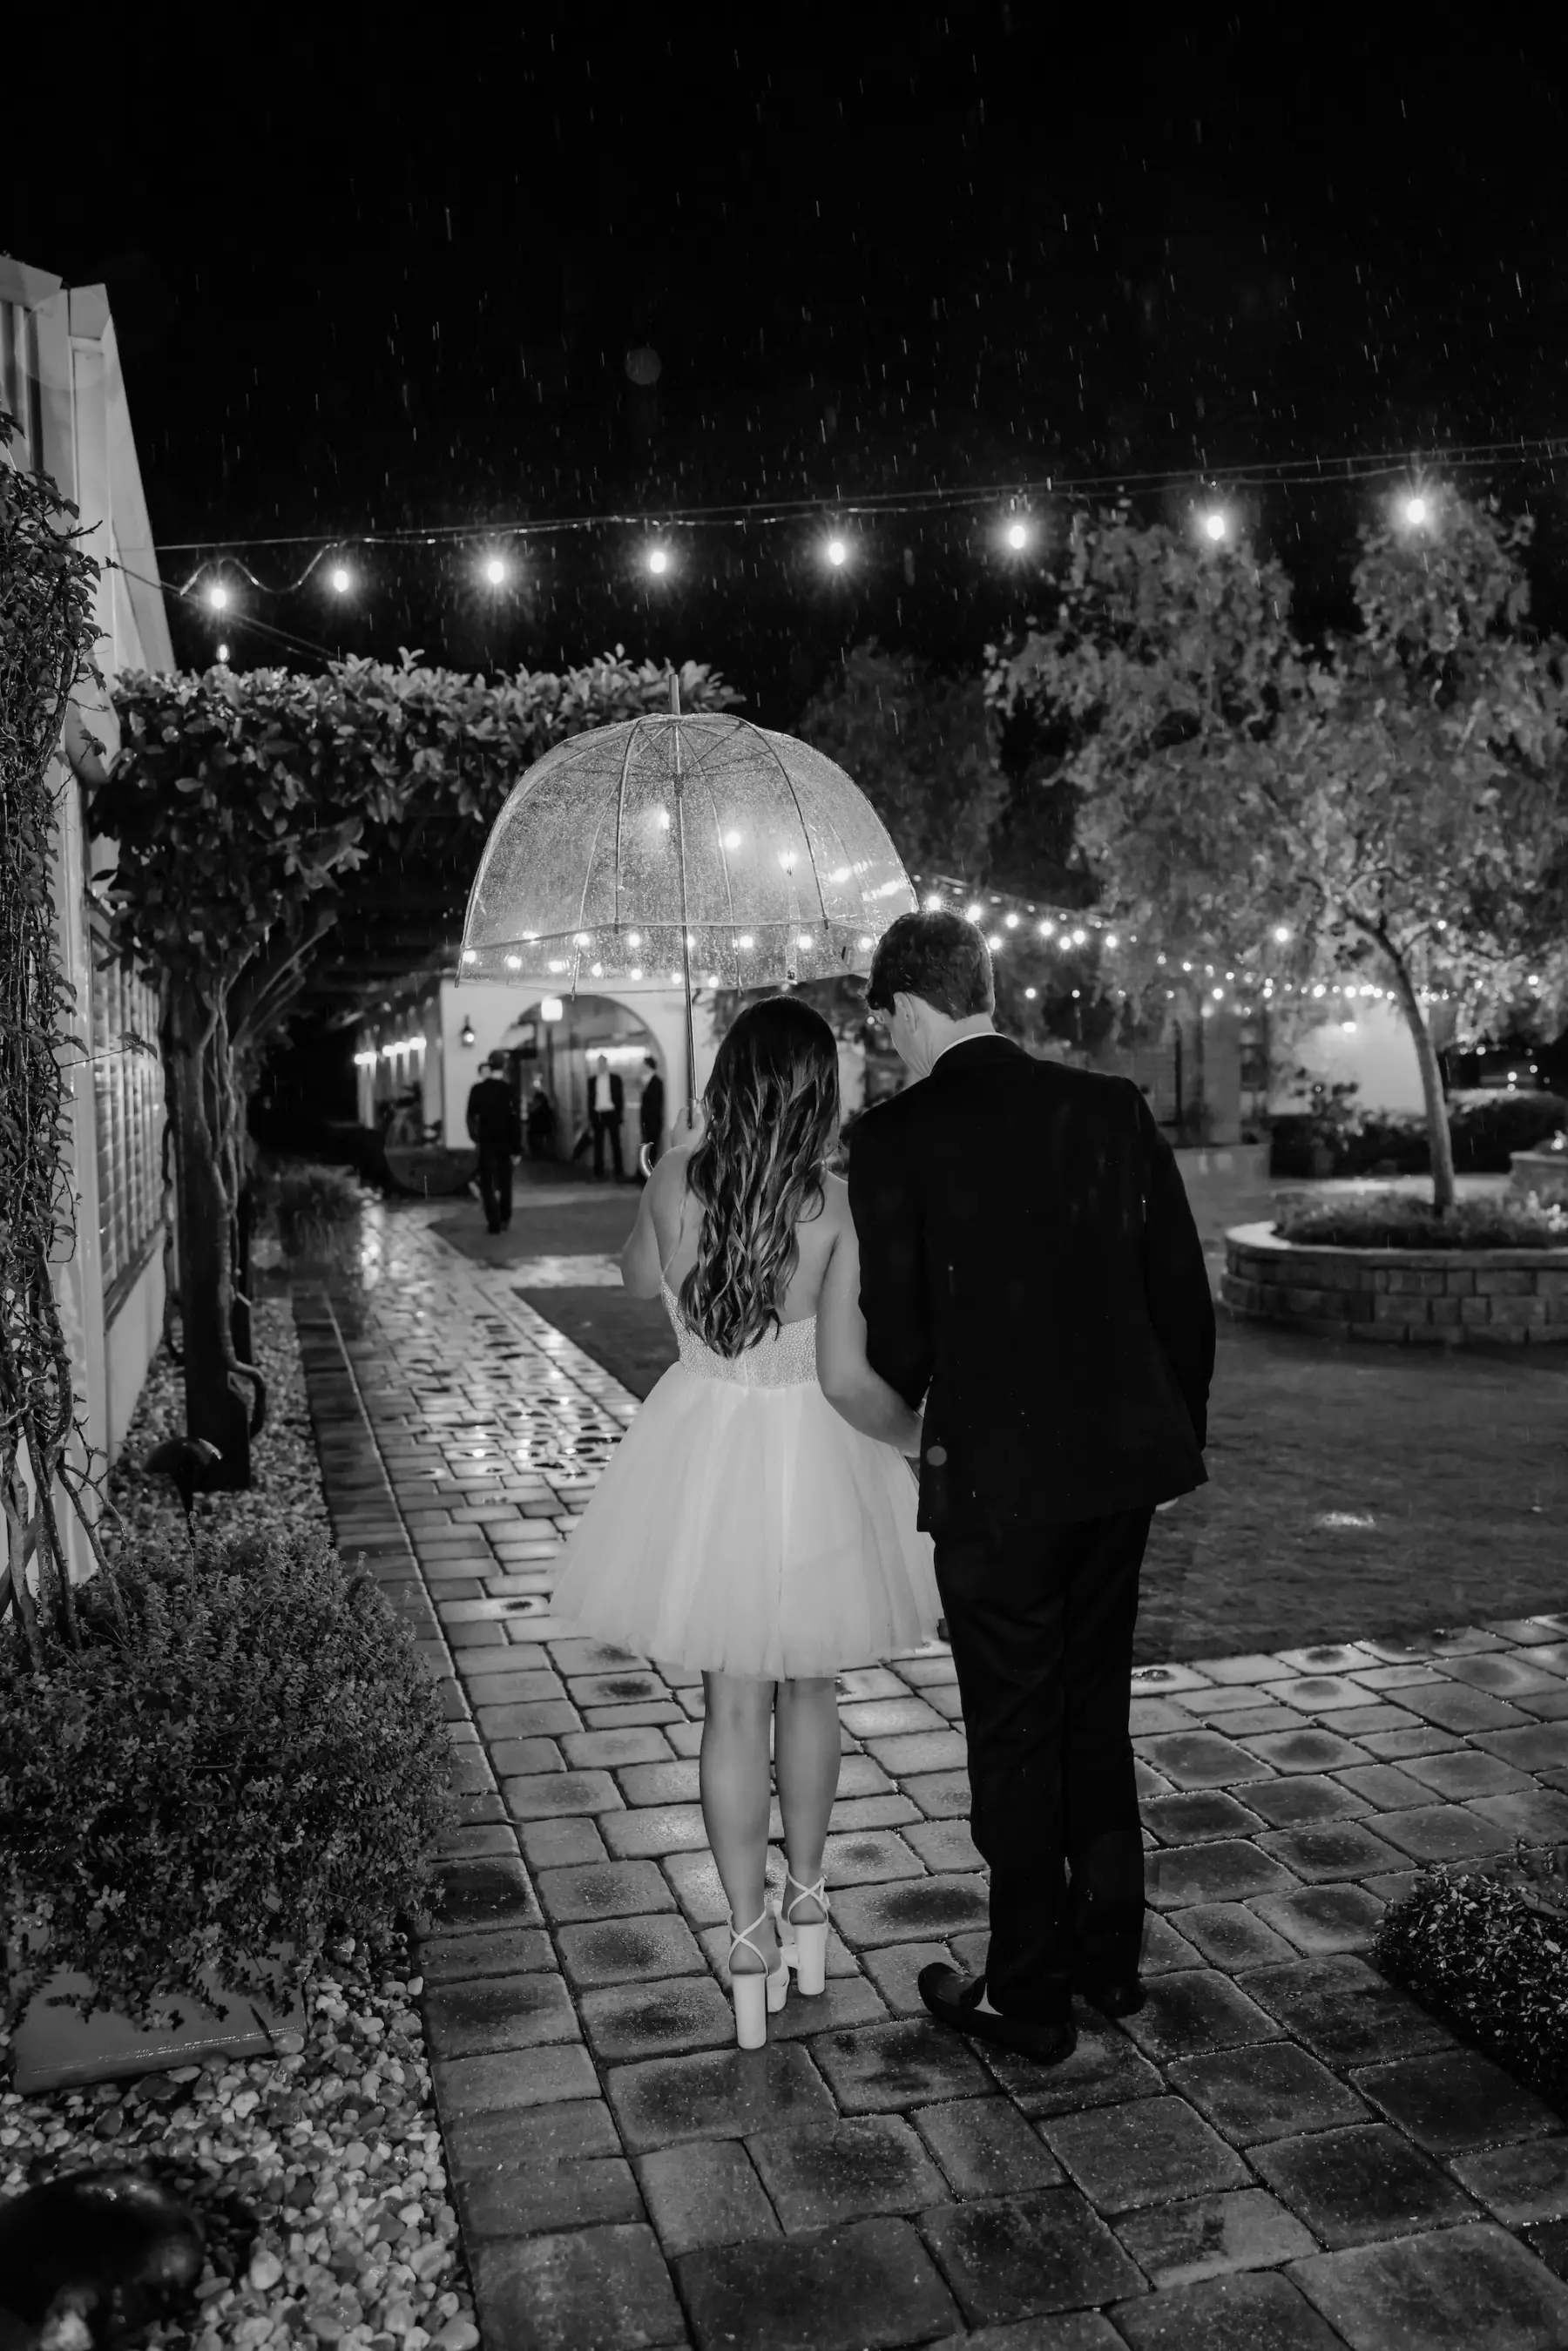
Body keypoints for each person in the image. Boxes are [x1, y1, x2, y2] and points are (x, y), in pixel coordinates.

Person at [848, 909, 1215, 2066]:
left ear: (906, 1006)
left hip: (998, 1485)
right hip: (1118, 1471)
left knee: (1014, 1727)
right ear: (983, 990)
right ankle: (1110, 1959)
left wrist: (921, 1411)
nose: (884, 1047)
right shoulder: (1108, 1108)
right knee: (1092, 1708)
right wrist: (1168, 1449)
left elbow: (899, 1338)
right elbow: (1182, 1298)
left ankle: (1028, 1991)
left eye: (882, 1026)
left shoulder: (895, 1136)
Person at [552, 998, 937, 2049]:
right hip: (814, 1454)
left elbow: (637, 1281)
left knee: (730, 1705)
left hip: (706, 1449)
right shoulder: (836, 1204)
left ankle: (748, 1933)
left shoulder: (680, 1177)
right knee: (812, 1681)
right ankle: (810, 1896)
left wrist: (665, 1178)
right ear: (817, 1090)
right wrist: (916, 1438)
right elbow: (847, 1363)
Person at [465, 1051, 521, 1233]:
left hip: (486, 1140)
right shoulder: (510, 1090)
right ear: (504, 1067)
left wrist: (476, 1137)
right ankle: (505, 1217)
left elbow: (471, 1116)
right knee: (505, 1182)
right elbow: (515, 1121)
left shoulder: (478, 1090)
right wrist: (517, 1148)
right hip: (505, 1142)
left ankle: (493, 1219)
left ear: (489, 1066)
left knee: (487, 1182)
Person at [589, 1054, 625, 1181]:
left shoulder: (615, 1079)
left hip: (612, 1113)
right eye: (599, 1063)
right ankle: (598, 1171)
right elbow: (590, 1099)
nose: (601, 1066)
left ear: (606, 1064)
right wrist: (591, 1116)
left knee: (615, 1143)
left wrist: (620, 1115)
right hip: (598, 1113)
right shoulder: (592, 1080)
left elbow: (620, 1098)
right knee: (598, 1144)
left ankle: (618, 1171)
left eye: (603, 1063)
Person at [638, 1055, 666, 1181]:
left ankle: (648, 1177)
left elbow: (654, 1105)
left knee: (651, 1150)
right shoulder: (647, 1081)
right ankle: (643, 1175)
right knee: (646, 1149)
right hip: (647, 1122)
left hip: (653, 1122)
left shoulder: (656, 1082)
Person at [525, 1079, 558, 1159]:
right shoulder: (546, 1108)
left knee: (536, 1139)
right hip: (543, 1127)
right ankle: (544, 1154)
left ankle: (539, 1154)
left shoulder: (538, 1109)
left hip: (538, 1127)